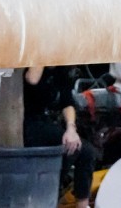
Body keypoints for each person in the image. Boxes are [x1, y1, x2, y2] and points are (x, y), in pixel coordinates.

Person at [23, 65, 95, 208]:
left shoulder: (60, 70)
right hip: (27, 122)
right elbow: (32, 79)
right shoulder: (35, 66)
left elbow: (67, 101)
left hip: (45, 120)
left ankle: (82, 204)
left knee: (85, 151)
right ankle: (47, 198)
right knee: (68, 152)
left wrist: (71, 128)